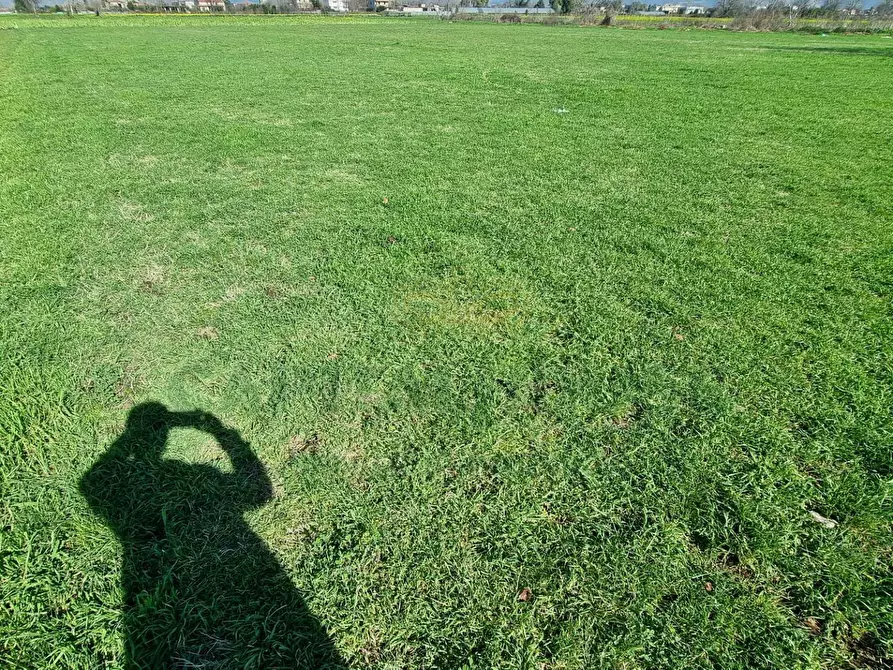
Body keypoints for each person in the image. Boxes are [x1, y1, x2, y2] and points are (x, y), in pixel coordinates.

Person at [81, 402, 343, 669]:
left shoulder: (99, 482)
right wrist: (221, 432)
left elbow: (96, 482)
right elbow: (260, 493)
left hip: (146, 579)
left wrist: (133, 437)